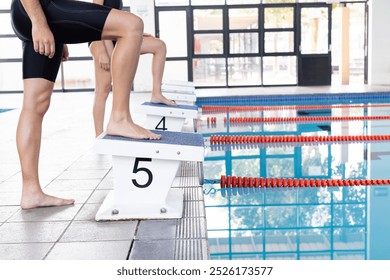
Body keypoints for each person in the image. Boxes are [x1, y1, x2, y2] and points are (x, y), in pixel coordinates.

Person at [10, 0, 161, 210]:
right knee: (131, 25)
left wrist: (56, 33)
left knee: (36, 103)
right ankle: (119, 118)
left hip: (34, 13)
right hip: (38, 9)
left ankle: (31, 191)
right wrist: (39, 22)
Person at [90, 0, 175, 136]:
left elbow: (116, 18)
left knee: (159, 46)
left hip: (117, 37)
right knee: (103, 89)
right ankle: (99, 135)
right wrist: (102, 50)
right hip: (99, 39)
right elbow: (94, 17)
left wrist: (135, 34)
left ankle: (156, 94)